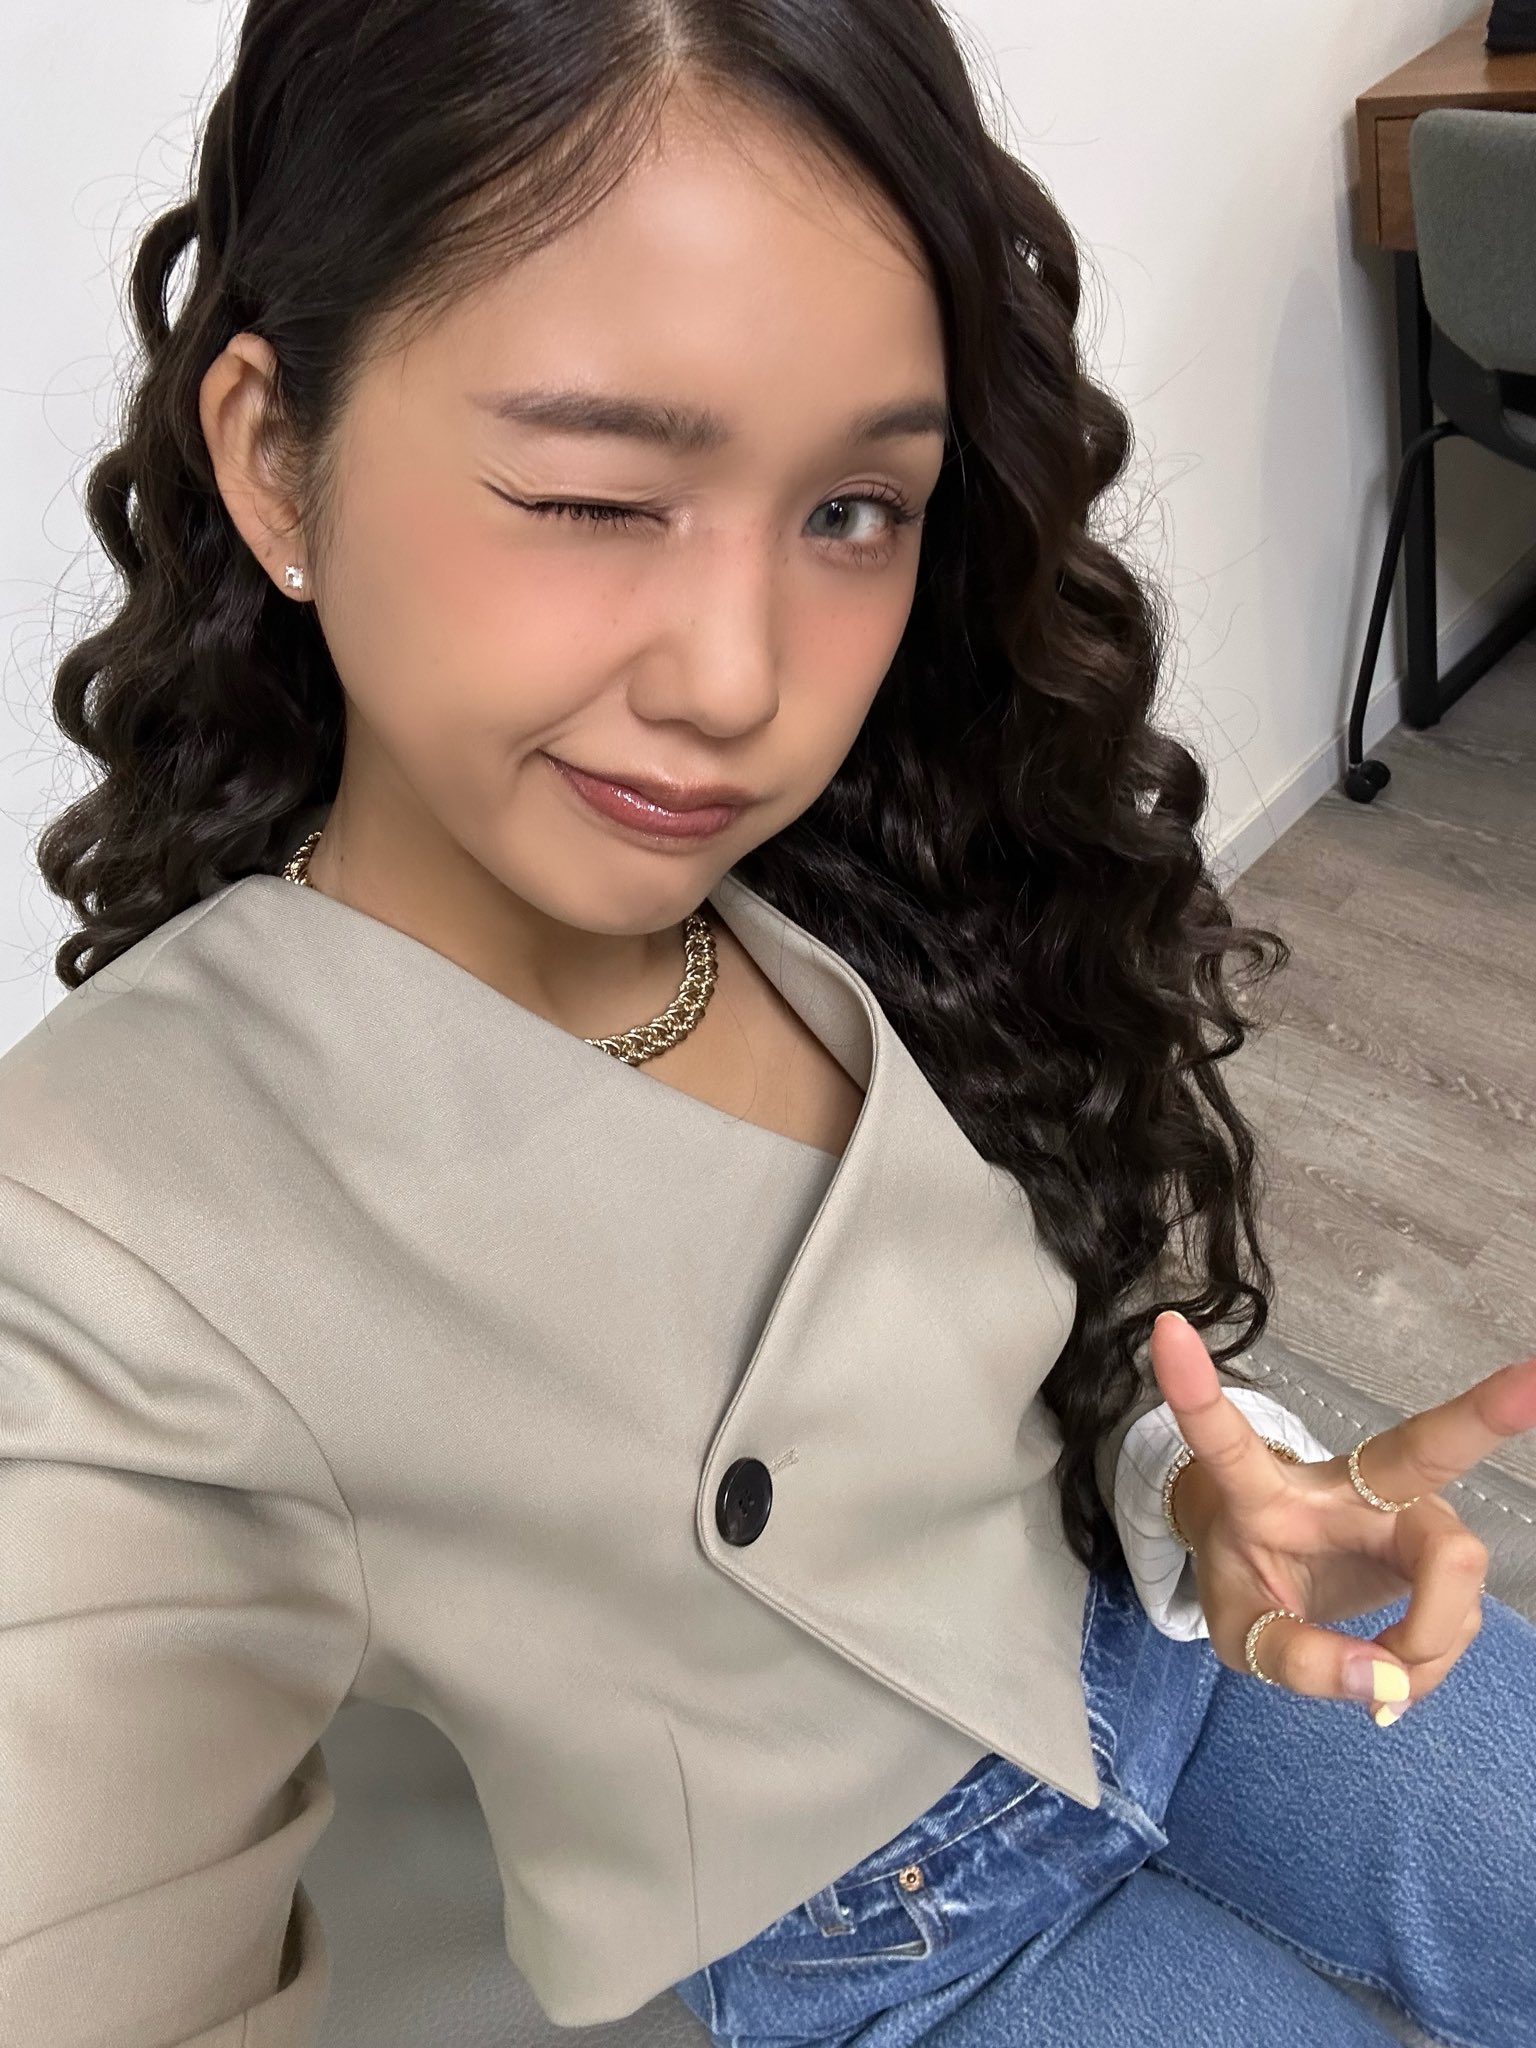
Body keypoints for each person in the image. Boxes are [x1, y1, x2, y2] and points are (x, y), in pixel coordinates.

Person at [4, 4, 1534, 2045]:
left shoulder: (873, 870)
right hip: (887, 1950)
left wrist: (1214, 1480)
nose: (740, 685)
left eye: (852, 510)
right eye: (590, 494)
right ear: (278, 454)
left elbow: (1009, 1387)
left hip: (1184, 1648)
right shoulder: (101, 1237)